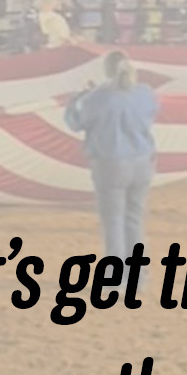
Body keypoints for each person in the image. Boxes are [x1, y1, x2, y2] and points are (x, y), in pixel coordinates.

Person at [65, 51, 159, 289]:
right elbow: (150, 111)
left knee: (113, 222)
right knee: (134, 220)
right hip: (142, 161)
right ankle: (138, 278)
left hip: (111, 164)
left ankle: (115, 280)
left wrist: (75, 100)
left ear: (106, 71)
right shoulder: (145, 93)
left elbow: (75, 123)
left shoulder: (97, 98)